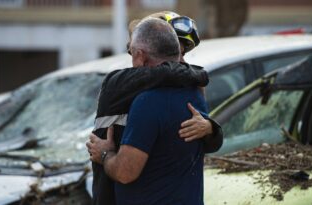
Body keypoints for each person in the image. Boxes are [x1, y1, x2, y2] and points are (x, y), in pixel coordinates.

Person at [87, 12, 223, 205]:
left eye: (183, 54)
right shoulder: (122, 84)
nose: (183, 63)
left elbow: (127, 172)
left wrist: (210, 128)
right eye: (178, 52)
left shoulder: (187, 89)